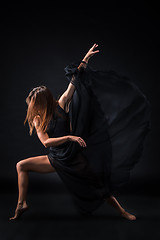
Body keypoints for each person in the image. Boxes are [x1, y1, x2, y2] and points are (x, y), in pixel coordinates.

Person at [9, 44, 151, 221]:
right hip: (56, 158)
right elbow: (45, 143)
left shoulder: (61, 104)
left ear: (43, 101)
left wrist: (86, 58)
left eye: (34, 103)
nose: (32, 107)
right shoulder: (38, 119)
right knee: (21, 165)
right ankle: (21, 204)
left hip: (74, 158)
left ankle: (122, 212)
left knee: (98, 185)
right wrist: (69, 137)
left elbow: (74, 82)